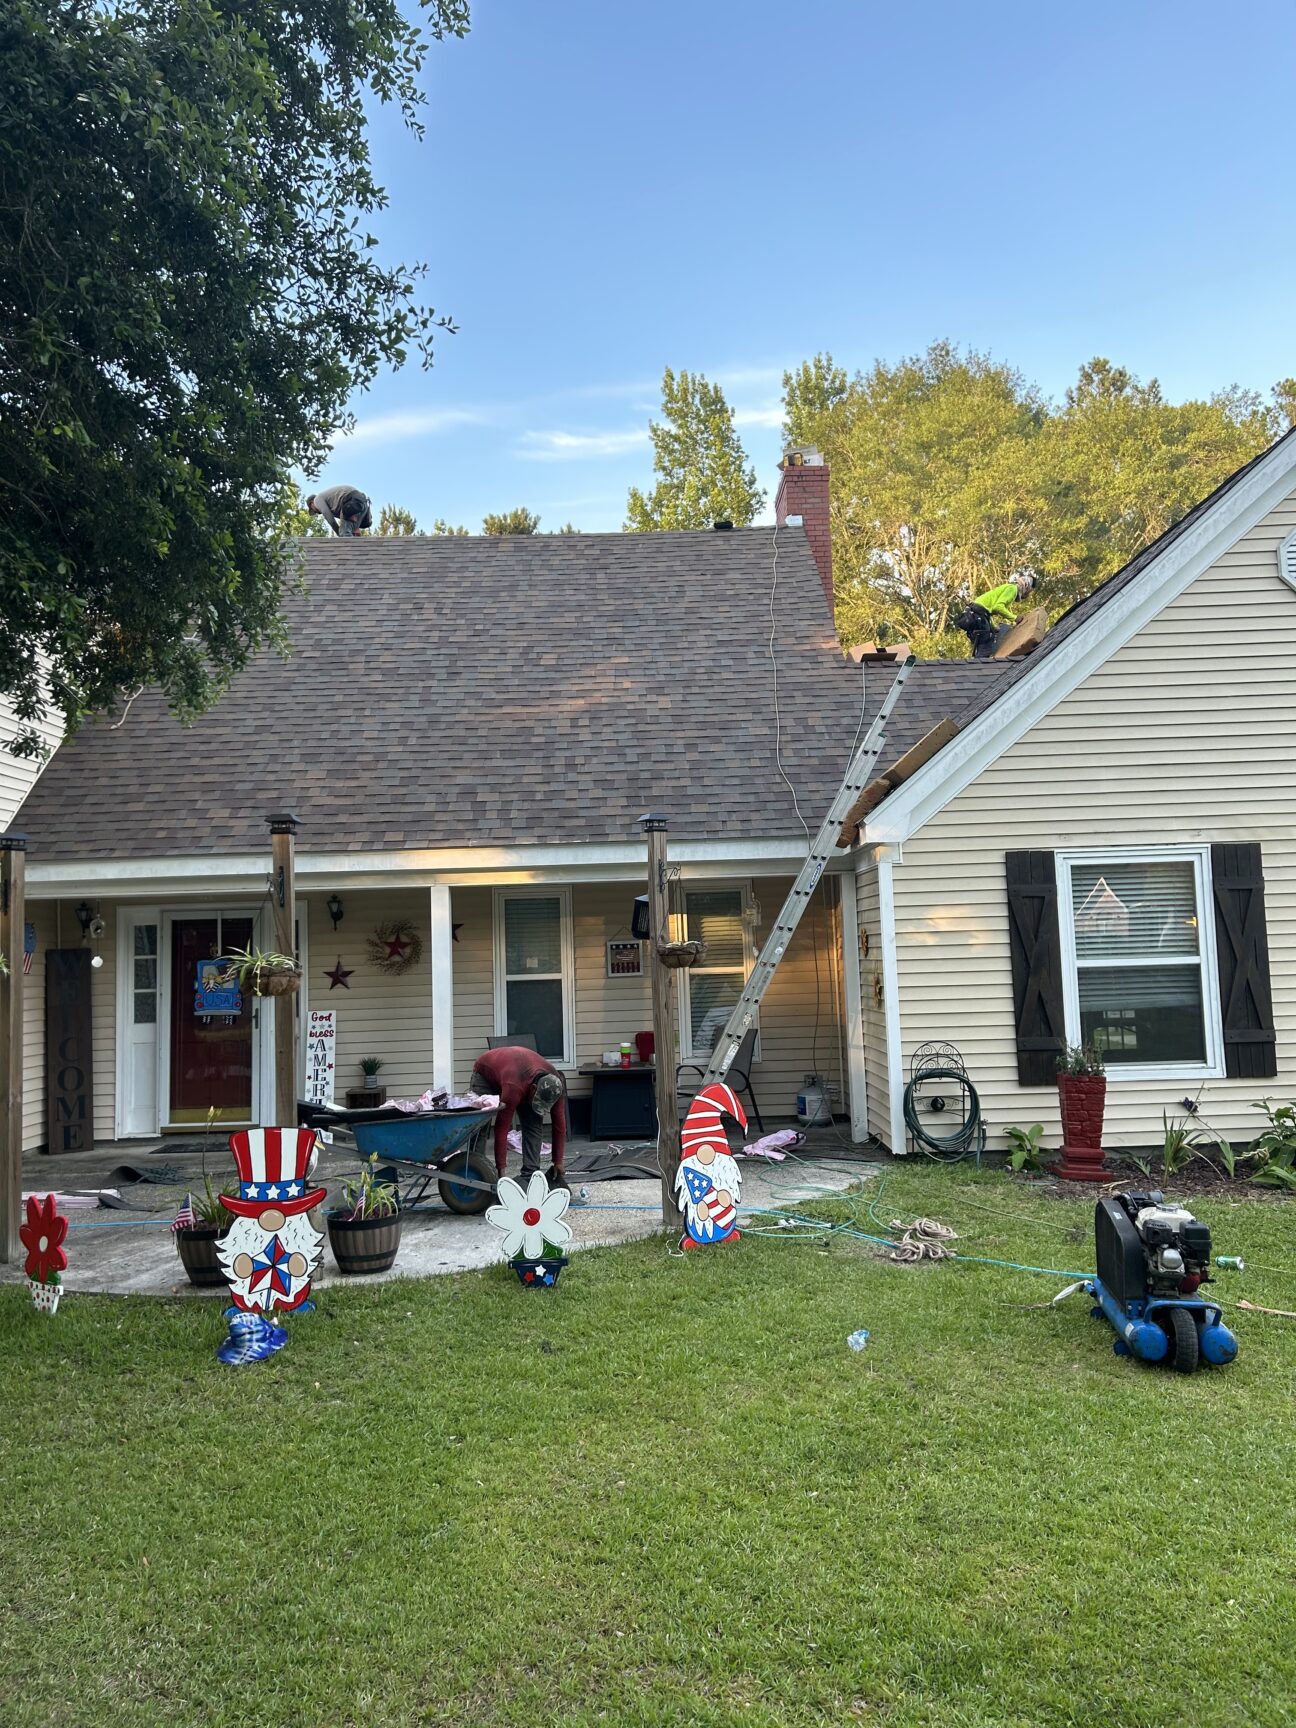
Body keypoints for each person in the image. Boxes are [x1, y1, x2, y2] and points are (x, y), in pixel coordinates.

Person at [468, 1044, 569, 1190]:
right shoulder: (514, 1087)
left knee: (533, 1124)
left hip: (518, 1073)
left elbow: (559, 1126)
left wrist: (558, 1161)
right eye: (537, 1100)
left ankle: (530, 1176)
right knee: (481, 1126)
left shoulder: (556, 1086)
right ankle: (474, 1175)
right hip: (487, 1074)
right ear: (534, 1089)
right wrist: (501, 1173)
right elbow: (501, 1129)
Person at [954, 572, 1036, 659]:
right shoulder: (1013, 589)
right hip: (978, 614)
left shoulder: (1008, 587)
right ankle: (980, 664)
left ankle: (977, 662)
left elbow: (988, 612)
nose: (1027, 595)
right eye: (1028, 591)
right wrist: (1015, 618)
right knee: (985, 647)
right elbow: (998, 607)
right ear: (1026, 586)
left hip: (974, 614)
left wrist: (993, 627)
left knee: (982, 644)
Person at [307, 485, 372, 537]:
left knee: (345, 535)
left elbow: (330, 520)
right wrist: (355, 527)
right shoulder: (331, 501)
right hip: (362, 503)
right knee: (353, 534)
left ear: (311, 503)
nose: (315, 512)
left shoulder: (317, 499)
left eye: (312, 510)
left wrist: (339, 533)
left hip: (351, 502)